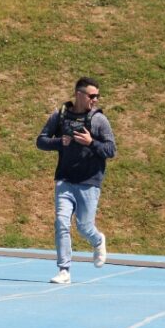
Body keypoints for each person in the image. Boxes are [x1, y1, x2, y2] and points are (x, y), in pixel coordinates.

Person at [36, 77, 117, 284]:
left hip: (89, 182)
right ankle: (64, 269)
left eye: (97, 96)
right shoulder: (61, 115)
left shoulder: (98, 120)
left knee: (84, 227)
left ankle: (98, 240)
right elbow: (41, 141)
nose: (95, 100)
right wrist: (59, 142)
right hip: (64, 179)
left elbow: (110, 150)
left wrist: (91, 143)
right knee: (61, 222)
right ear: (79, 94)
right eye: (92, 96)